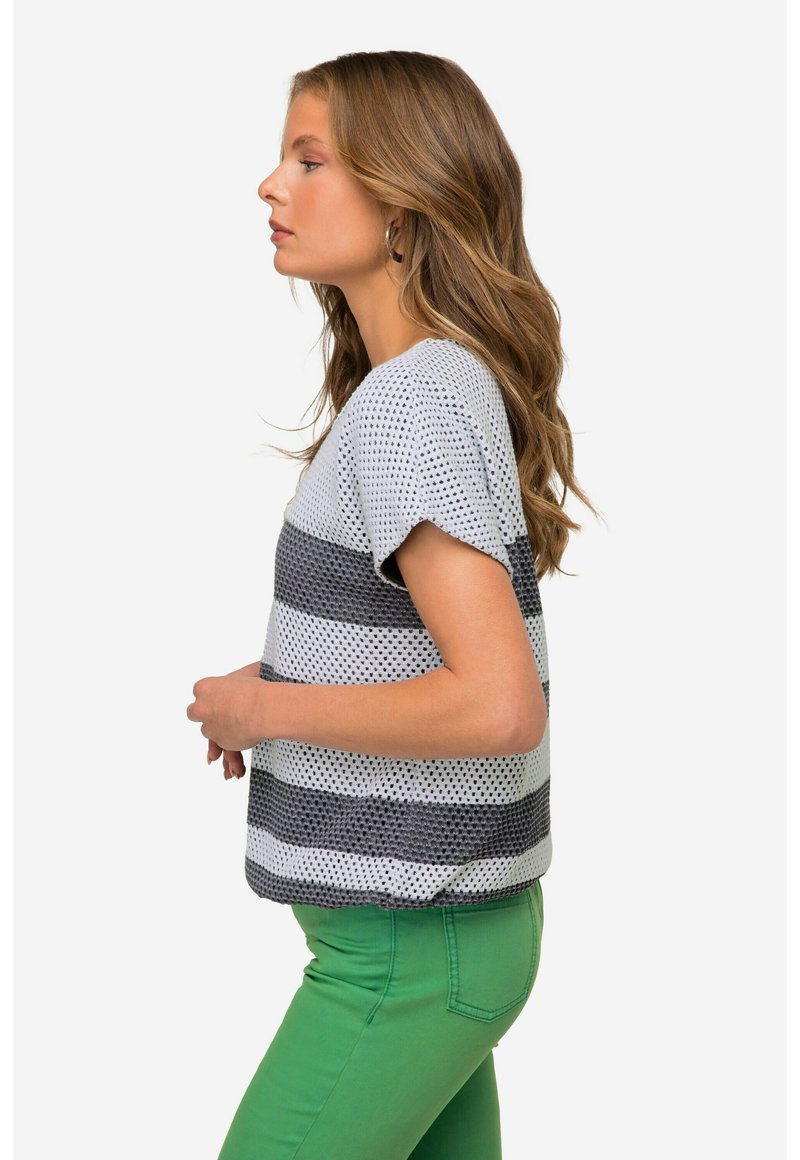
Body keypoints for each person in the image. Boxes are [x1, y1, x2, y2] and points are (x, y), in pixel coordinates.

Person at [187, 49, 599, 1160]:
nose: (271, 184)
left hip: (409, 951)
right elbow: (430, 651)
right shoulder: (426, 385)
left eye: (309, 160)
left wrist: (267, 708)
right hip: (439, 934)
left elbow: (496, 704)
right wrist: (282, 684)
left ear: (403, 202)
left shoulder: (414, 400)